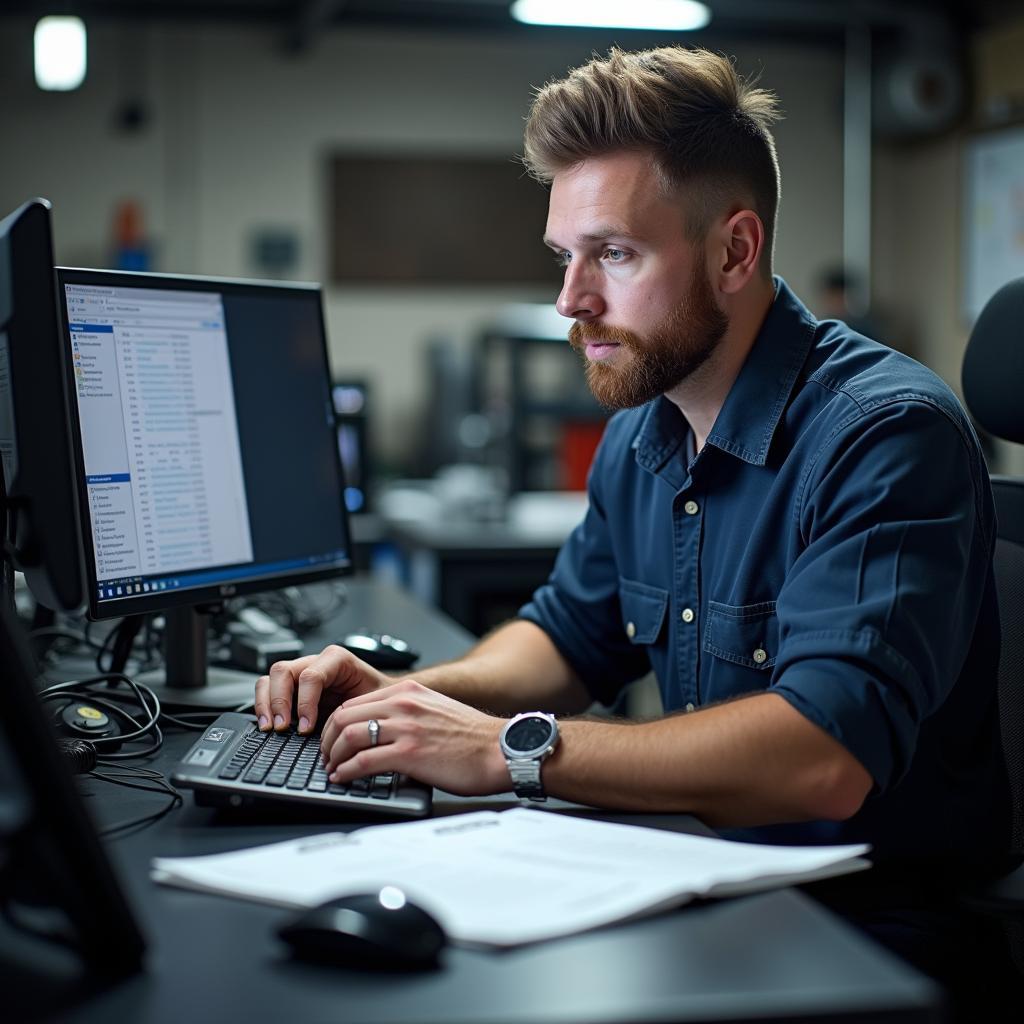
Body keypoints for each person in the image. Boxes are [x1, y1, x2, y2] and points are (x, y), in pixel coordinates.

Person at [256, 46, 1015, 1011]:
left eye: (613, 253)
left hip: (865, 939)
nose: (571, 300)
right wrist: (407, 700)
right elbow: (568, 637)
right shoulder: (641, 434)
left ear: (735, 251)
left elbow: (823, 759)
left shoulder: (883, 433)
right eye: (563, 257)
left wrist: (507, 749)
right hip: (701, 882)